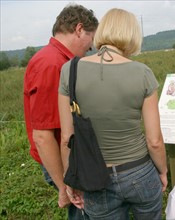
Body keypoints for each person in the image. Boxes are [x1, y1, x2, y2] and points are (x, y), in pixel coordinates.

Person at [58, 8, 168, 220]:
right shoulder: (142, 73)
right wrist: (162, 171)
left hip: (95, 177)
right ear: (132, 34)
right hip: (140, 171)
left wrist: (69, 179)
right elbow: (154, 141)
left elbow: (66, 138)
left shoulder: (69, 70)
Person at [23, 3, 98, 219]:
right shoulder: (52, 64)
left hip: (71, 159)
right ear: (79, 29)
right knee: (84, 211)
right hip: (64, 163)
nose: (90, 48)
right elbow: (42, 136)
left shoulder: (62, 61)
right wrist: (64, 186)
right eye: (90, 40)